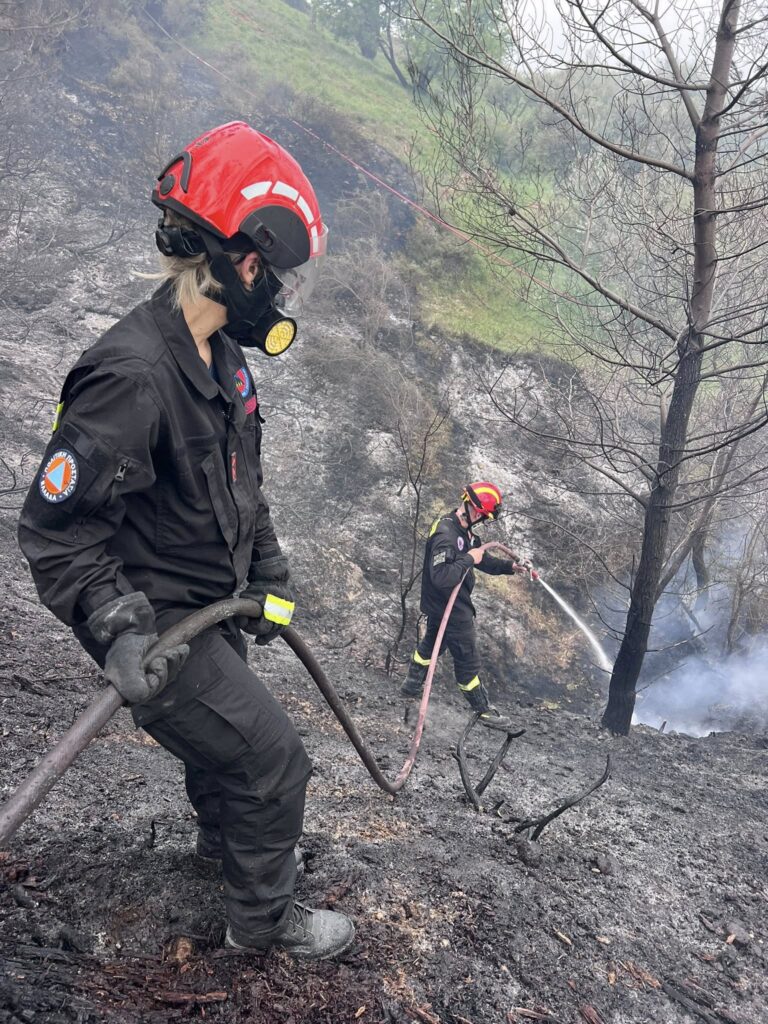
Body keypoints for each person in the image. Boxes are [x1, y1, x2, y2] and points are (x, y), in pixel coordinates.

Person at [17, 121, 354, 960]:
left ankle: (225, 857)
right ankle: (262, 927)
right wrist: (119, 628)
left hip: (213, 609)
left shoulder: (224, 361)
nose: (281, 294)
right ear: (243, 261)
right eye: (278, 275)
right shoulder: (130, 375)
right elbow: (55, 528)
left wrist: (268, 576)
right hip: (159, 626)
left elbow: (246, 488)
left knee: (228, 753)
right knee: (275, 763)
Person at [400, 481, 532, 730]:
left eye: (485, 517)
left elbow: (482, 559)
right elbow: (441, 577)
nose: (482, 519)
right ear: (470, 505)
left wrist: (509, 567)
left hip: (448, 605)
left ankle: (411, 686)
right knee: (468, 660)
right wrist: (469, 558)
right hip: (450, 608)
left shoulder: (465, 532)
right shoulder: (446, 535)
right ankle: (483, 710)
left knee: (431, 646)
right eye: (481, 514)